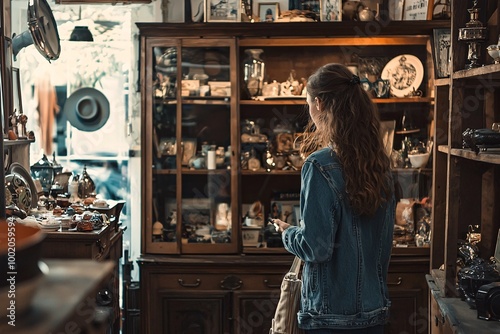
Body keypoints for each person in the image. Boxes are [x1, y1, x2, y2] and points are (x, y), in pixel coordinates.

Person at [272, 63, 395, 334]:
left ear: (319, 103)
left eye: (308, 104)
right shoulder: (381, 166)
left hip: (330, 320)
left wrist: (288, 233)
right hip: (374, 315)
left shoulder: (319, 165)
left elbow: (316, 248)